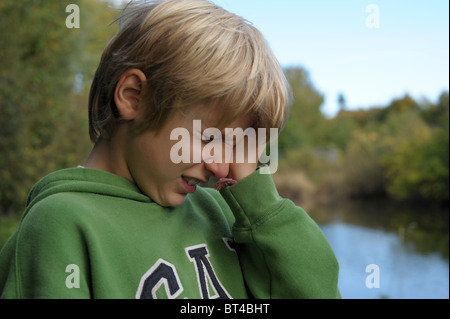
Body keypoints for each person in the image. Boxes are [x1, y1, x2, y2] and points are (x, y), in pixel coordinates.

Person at [0, 0, 341, 299]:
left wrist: (261, 205)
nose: (221, 168)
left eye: (235, 146)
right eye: (210, 138)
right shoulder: (61, 224)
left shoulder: (222, 214)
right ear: (133, 96)